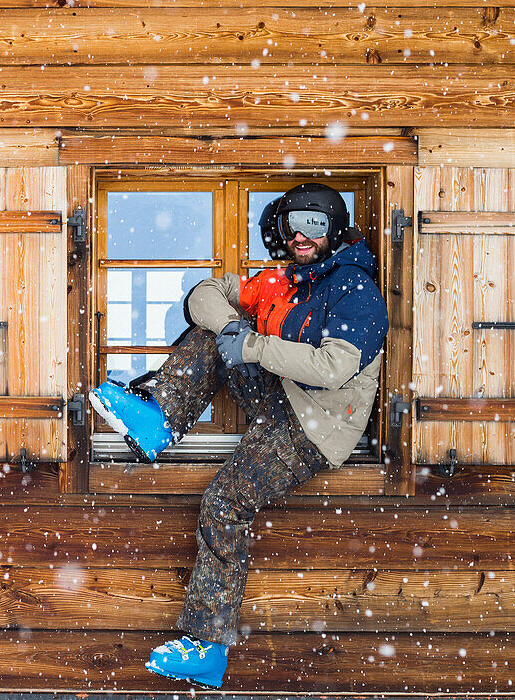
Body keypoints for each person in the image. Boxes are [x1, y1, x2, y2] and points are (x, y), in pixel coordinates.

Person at [89, 183, 389, 688]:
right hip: (281, 396)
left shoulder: (355, 291)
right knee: (210, 336)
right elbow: (203, 294)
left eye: (314, 224)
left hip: (315, 427)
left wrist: (249, 345)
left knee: (224, 503)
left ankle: (207, 648)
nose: (300, 234)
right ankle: (160, 420)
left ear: (334, 229)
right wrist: (233, 329)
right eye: (293, 222)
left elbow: (332, 367)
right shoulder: (282, 281)